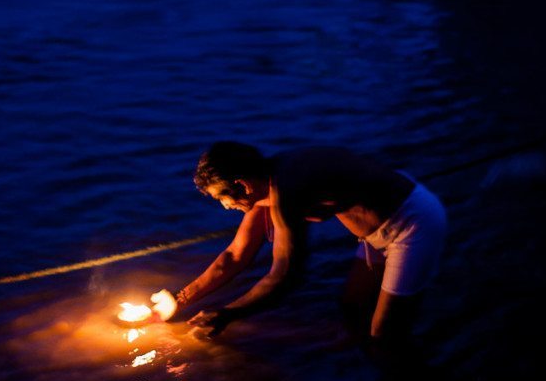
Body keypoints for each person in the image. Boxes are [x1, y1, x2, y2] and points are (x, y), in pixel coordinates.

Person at [153, 142, 447, 343]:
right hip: (375, 235)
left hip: (411, 224)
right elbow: (234, 256)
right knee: (352, 307)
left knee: (384, 336)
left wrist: (228, 314)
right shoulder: (266, 185)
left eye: (222, 198)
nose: (226, 206)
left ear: (242, 184)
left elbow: (286, 276)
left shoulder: (287, 189)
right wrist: (178, 300)